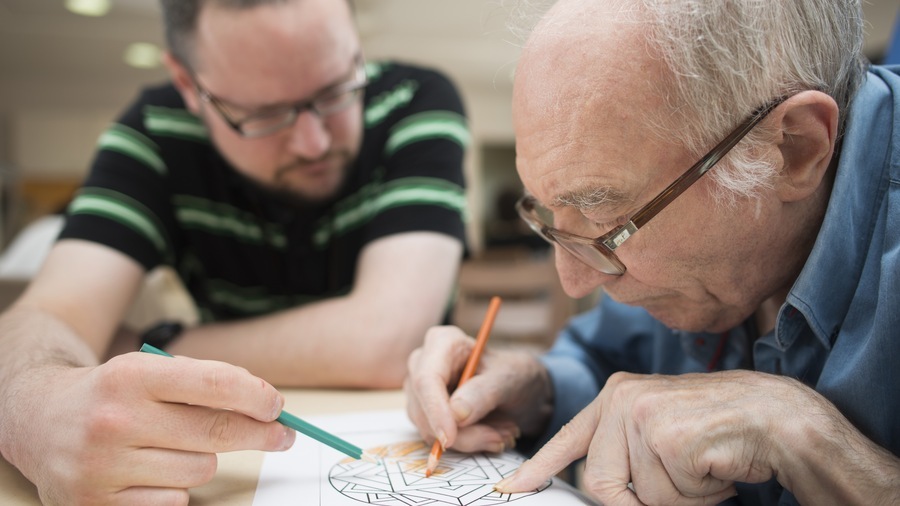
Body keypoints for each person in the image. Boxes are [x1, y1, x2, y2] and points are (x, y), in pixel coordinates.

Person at [405, 0, 900, 504]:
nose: (573, 282)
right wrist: (538, 387)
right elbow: (600, 357)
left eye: (605, 220)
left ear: (795, 147)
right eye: (549, 211)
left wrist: (805, 438)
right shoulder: (662, 226)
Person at [0, 0, 468, 503]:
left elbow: (387, 341)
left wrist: (146, 345)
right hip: (239, 470)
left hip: (412, 435)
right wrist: (36, 407)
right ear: (187, 84)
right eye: (264, 113)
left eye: (335, 90)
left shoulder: (415, 100)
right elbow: (47, 315)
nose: (313, 143)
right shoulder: (154, 134)